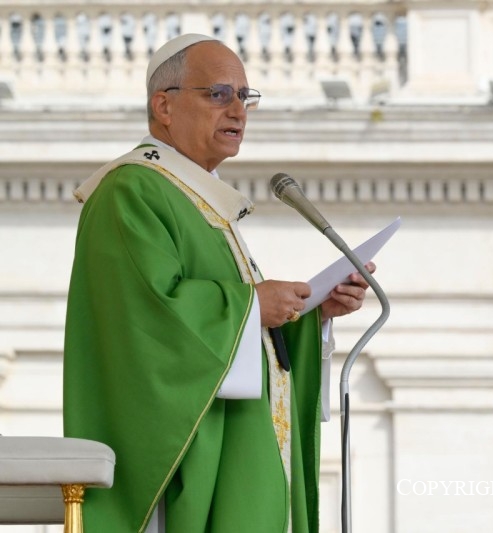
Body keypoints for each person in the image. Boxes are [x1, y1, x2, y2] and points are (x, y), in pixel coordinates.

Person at [63, 34, 375, 533]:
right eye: (218, 94)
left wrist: (307, 311)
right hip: (187, 465)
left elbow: (238, 332)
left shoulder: (201, 201)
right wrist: (253, 305)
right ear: (163, 106)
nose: (238, 110)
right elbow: (147, 321)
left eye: (244, 97)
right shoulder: (132, 190)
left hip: (240, 449)